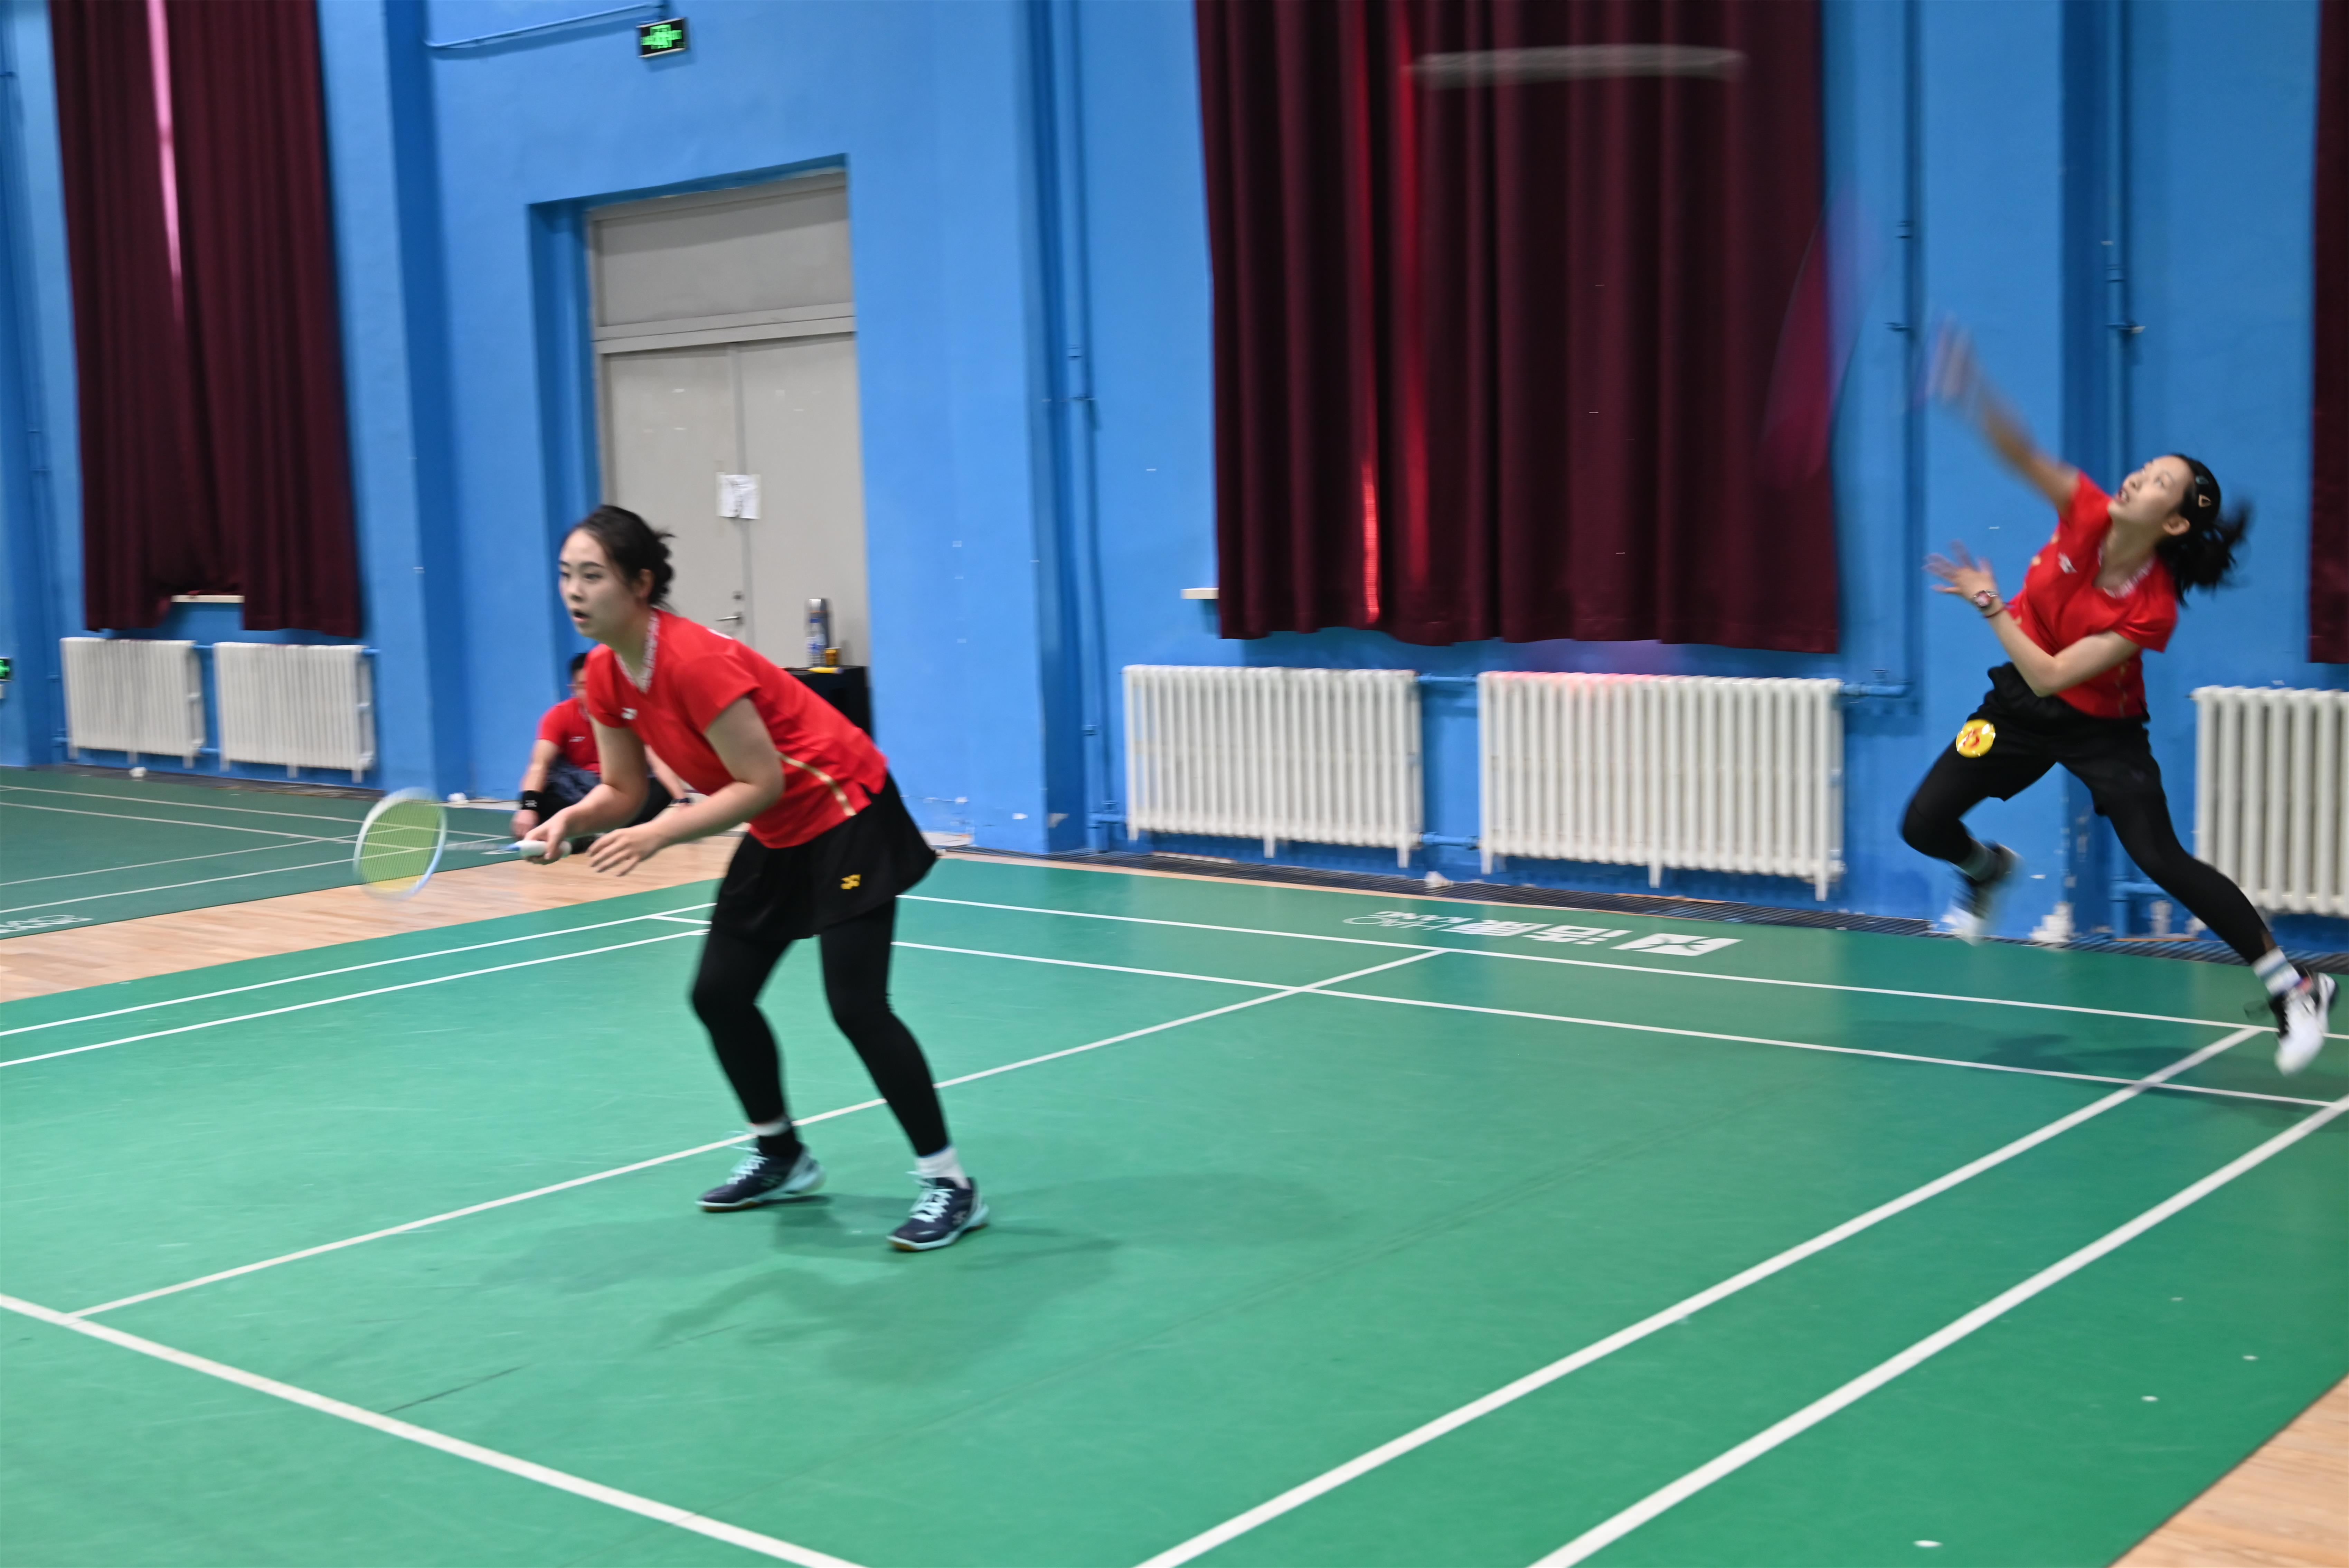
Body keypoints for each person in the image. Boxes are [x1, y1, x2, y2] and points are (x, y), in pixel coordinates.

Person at [522, 506, 986, 1249]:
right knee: (718, 994)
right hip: (779, 826)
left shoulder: (694, 661)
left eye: (592, 575)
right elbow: (623, 788)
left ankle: (949, 1183)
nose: (574, 591)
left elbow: (759, 781)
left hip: (843, 808)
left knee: (857, 1006)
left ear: (640, 583)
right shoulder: (606, 671)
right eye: (565, 575)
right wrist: (566, 822)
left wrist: (658, 835)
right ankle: (781, 1152)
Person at [1902, 328, 2334, 1075]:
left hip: (2101, 729)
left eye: (2159, 482)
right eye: (2144, 468)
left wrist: (1990, 604)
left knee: (2159, 856)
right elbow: (2021, 452)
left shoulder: (2151, 608)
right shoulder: (2087, 510)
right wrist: (1973, 392)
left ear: (2174, 523)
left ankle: (2295, 987)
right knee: (1923, 824)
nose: (2137, 478)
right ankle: (1984, 869)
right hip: (2015, 709)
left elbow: (2052, 674)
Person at [510, 653, 687, 841]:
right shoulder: (558, 716)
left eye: (597, 684)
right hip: (576, 793)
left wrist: (683, 801)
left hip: (620, 793)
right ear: (574, 689)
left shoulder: (628, 714)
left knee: (661, 788)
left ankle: (600, 833)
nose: (593, 692)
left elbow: (657, 761)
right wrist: (528, 808)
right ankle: (601, 831)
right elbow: (539, 765)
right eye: (585, 686)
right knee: (544, 796)